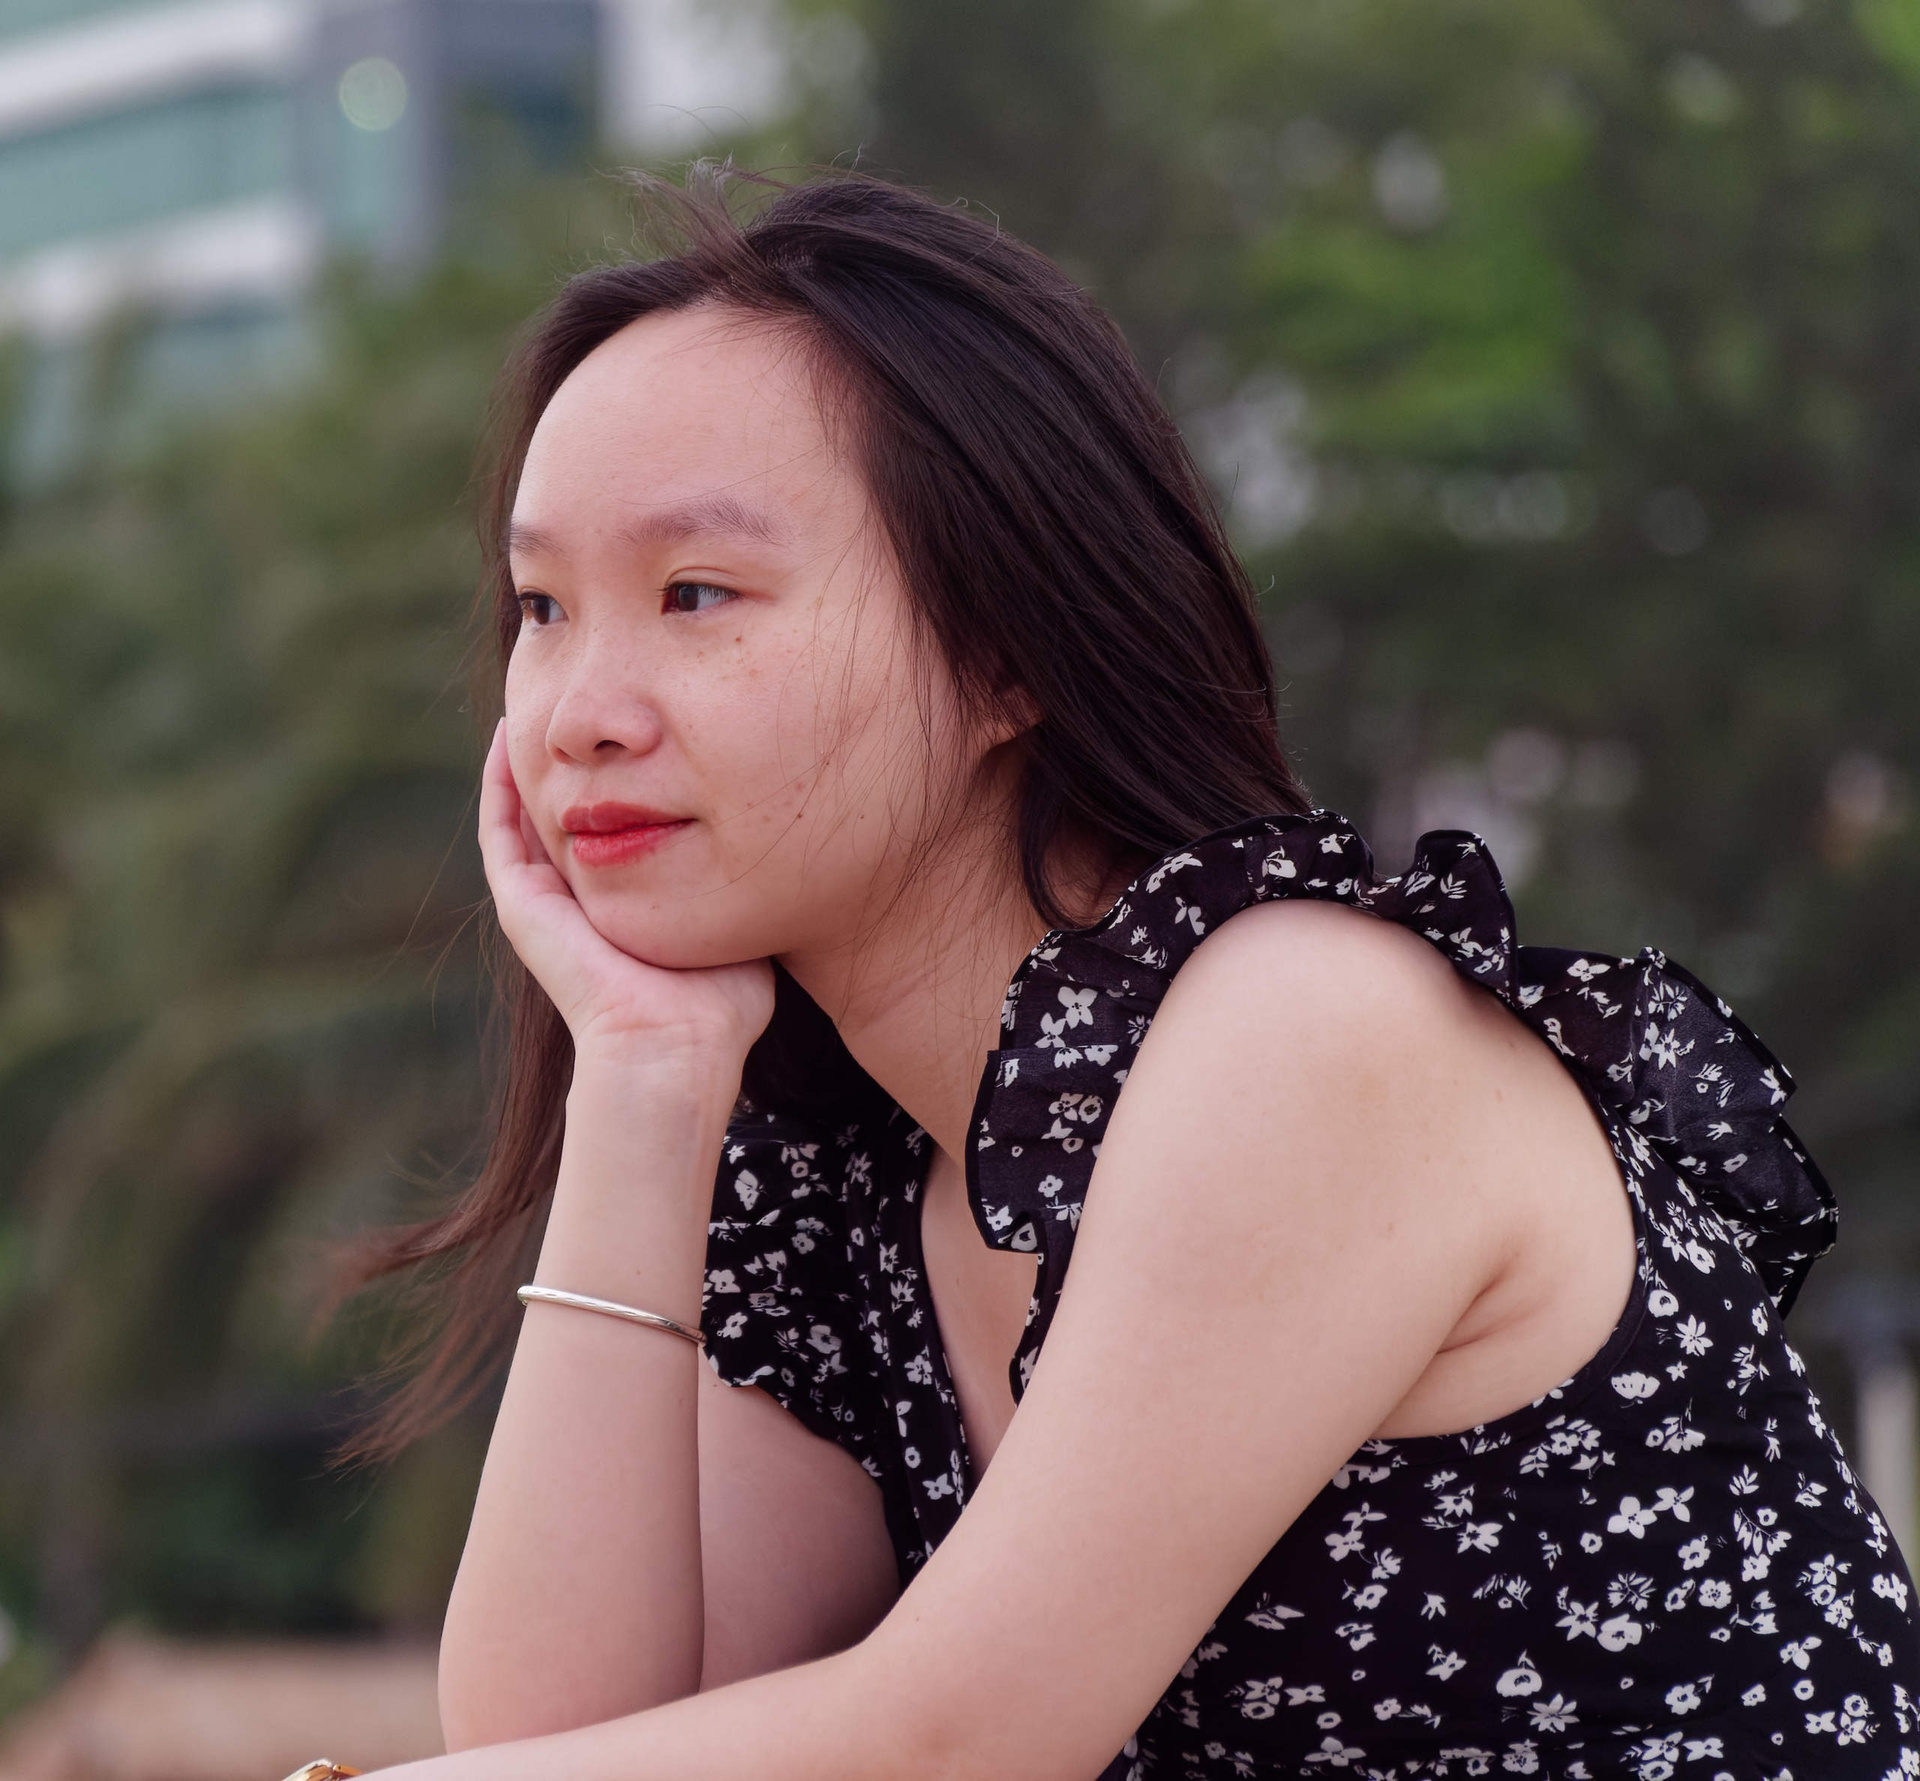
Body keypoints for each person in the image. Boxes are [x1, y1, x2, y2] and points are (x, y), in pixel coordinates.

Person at [347, 164, 1918, 1780]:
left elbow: (964, 1738)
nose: (576, 711)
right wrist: (641, 1071)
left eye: (697, 593)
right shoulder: (852, 1179)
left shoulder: (1304, 1031)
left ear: (1005, 649)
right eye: (543, 606)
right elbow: (568, 1747)